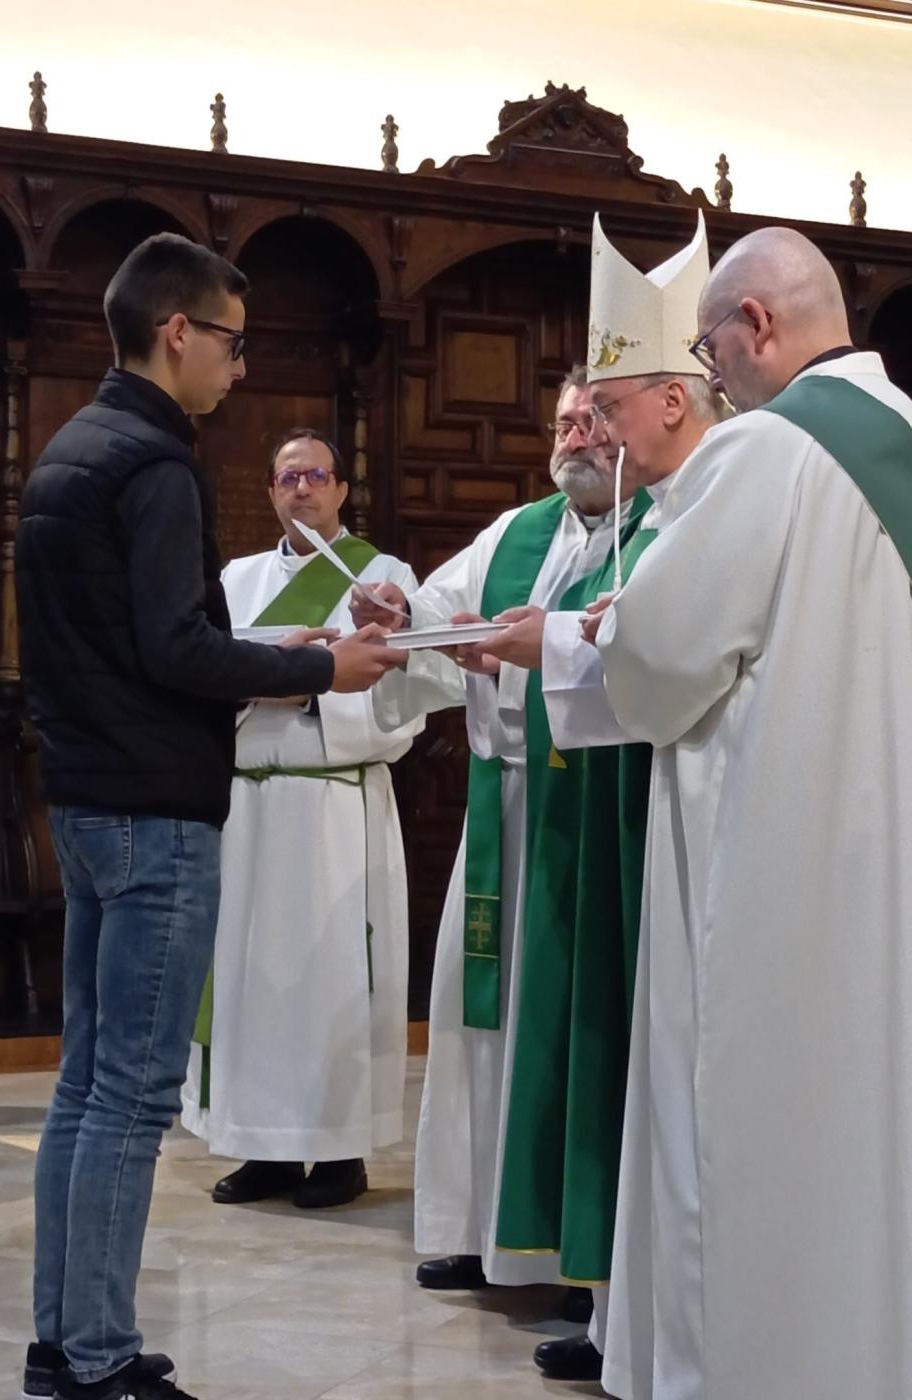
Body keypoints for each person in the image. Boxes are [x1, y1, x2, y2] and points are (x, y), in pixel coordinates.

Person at [15, 232, 401, 1400]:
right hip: (155, 816)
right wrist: (318, 671)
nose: (239, 366)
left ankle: (58, 1338)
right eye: (232, 342)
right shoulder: (157, 462)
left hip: (87, 797)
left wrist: (264, 648)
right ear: (176, 331)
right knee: (133, 1095)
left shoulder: (71, 450)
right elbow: (174, 650)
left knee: (84, 1084)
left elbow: (126, 642)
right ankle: (98, 1357)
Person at [582, 226, 912, 1400]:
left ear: (756, 326)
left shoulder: (765, 452)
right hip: (891, 872)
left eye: (714, 355)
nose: (717, 381)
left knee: (761, 1132)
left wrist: (610, 621)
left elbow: (663, 653)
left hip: (776, 866)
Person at [466, 213, 725, 1383]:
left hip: (691, 826)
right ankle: (622, 1304)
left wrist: (554, 639)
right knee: (624, 1056)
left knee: (663, 1063)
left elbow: (668, 638)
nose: (591, 431)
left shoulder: (718, 491)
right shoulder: (655, 507)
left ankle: (651, 1314)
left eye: (607, 408)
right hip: (629, 813)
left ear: (672, 398)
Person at [353, 364, 633, 1306]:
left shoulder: (660, 529)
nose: (576, 437)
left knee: (566, 1027)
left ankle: (564, 1252)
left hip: (589, 820)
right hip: (498, 810)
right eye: (564, 421)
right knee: (479, 1025)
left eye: (596, 419)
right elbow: (440, 612)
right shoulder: (516, 531)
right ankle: (477, 1231)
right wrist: (399, 617)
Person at [180, 428, 422, 1209]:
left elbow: (404, 694)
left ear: (342, 489)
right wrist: (262, 684)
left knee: (332, 984)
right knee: (254, 984)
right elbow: (201, 675)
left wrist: (313, 688)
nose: (302, 490)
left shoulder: (381, 577)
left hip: (332, 805)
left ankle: (340, 1151)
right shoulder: (236, 579)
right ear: (271, 491)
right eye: (287, 477)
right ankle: (264, 1148)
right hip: (247, 807)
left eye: (317, 475)